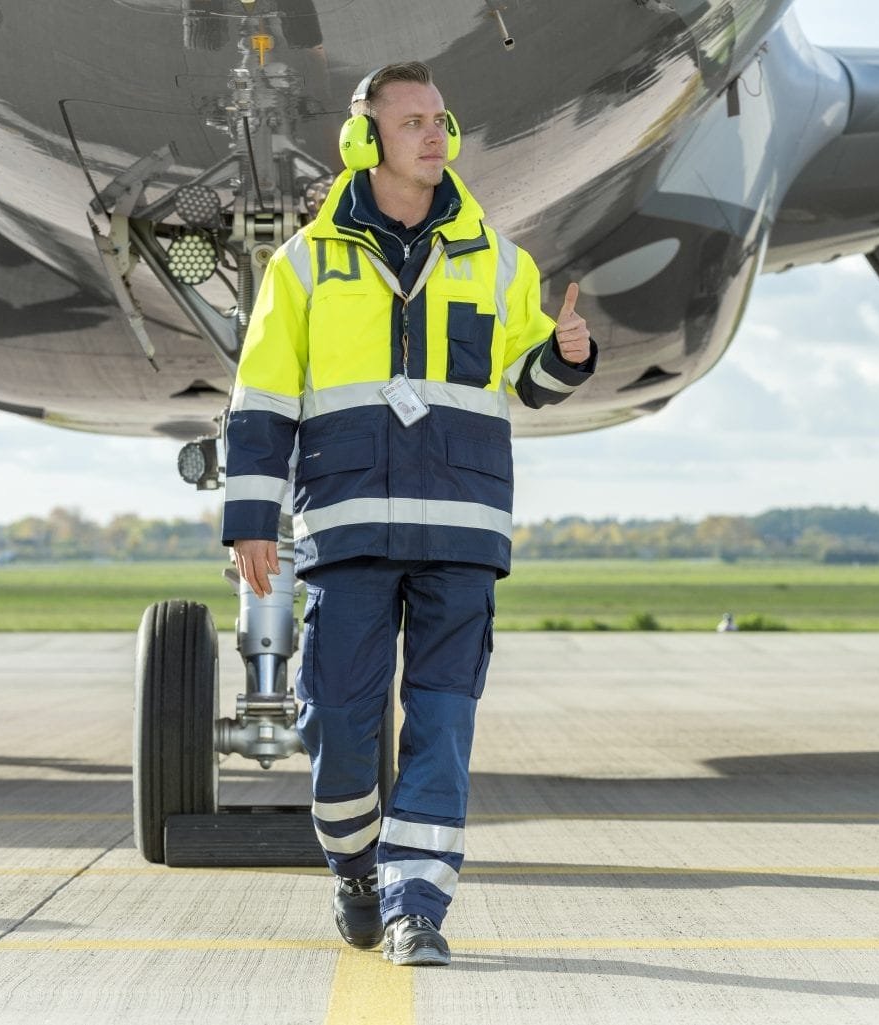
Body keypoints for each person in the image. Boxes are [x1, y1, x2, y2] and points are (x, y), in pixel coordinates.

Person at [221, 61, 596, 967]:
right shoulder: (303, 265)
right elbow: (264, 395)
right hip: (346, 528)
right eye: (414, 121)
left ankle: (417, 903)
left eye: (441, 119)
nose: (436, 135)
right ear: (365, 141)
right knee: (338, 724)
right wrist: (251, 518)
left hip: (462, 533)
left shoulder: (502, 262)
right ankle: (353, 864)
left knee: (443, 724)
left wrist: (571, 354)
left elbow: (527, 380)